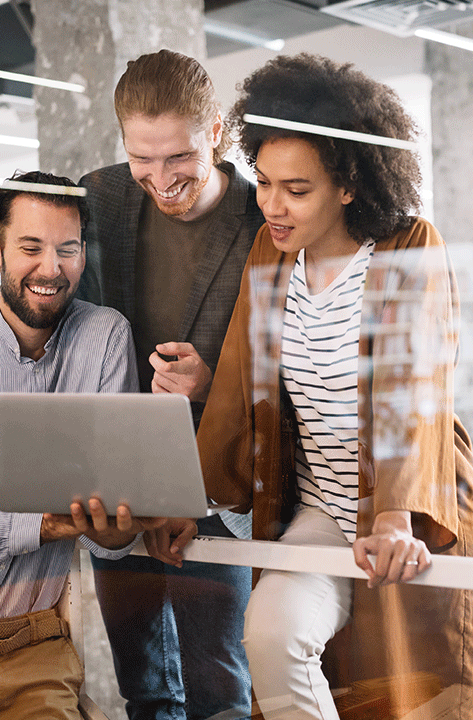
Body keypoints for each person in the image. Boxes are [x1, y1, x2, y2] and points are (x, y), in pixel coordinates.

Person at [197, 53, 473, 719]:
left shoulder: (409, 243)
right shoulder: (271, 250)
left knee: (424, 692)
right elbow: (239, 379)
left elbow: (414, 388)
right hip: (321, 507)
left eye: (297, 189)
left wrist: (392, 515)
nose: (272, 205)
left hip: (416, 508)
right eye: (263, 183)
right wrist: (187, 500)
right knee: (270, 634)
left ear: (348, 185)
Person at [0, 170, 194, 719]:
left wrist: (124, 525)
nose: (51, 269)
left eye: (68, 249)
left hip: (41, 650)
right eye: (30, 248)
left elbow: (105, 537)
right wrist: (46, 525)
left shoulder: (106, 336)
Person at [77, 49, 263, 720]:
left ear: (215, 129)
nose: (161, 179)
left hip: (217, 492)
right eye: (142, 159)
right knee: (144, 689)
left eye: (178, 157)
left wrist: (212, 385)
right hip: (122, 491)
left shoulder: (262, 222)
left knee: (219, 689)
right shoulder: (98, 199)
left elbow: (293, 371)